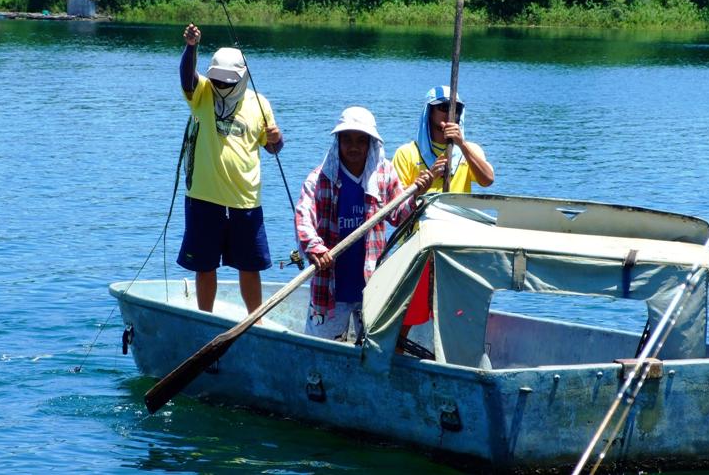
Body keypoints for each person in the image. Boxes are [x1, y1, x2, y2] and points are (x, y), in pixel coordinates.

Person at [295, 106, 434, 340]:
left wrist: (417, 196)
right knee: (320, 350)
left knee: (370, 349)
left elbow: (400, 216)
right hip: (330, 288)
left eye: (361, 140)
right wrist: (315, 247)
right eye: (347, 139)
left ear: (371, 143)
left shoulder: (384, 175)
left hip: (371, 287)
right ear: (337, 141)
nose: (353, 147)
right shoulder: (320, 179)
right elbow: (303, 218)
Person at [177, 23, 283, 314]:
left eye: (227, 81)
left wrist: (276, 138)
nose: (221, 86)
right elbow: (187, 77)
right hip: (203, 197)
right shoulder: (202, 93)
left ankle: (255, 320)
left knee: (250, 267)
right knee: (204, 265)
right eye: (217, 80)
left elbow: (272, 147)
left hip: (245, 200)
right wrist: (191, 48)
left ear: (243, 77)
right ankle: (205, 316)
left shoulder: (259, 103)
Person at [392, 85, 494, 331]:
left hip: (454, 247)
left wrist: (461, 143)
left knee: (452, 317)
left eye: (455, 108)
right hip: (417, 247)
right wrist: (424, 182)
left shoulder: (468, 152)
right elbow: (394, 207)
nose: (450, 114)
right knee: (406, 317)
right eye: (442, 108)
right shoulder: (408, 153)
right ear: (428, 113)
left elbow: (487, 179)